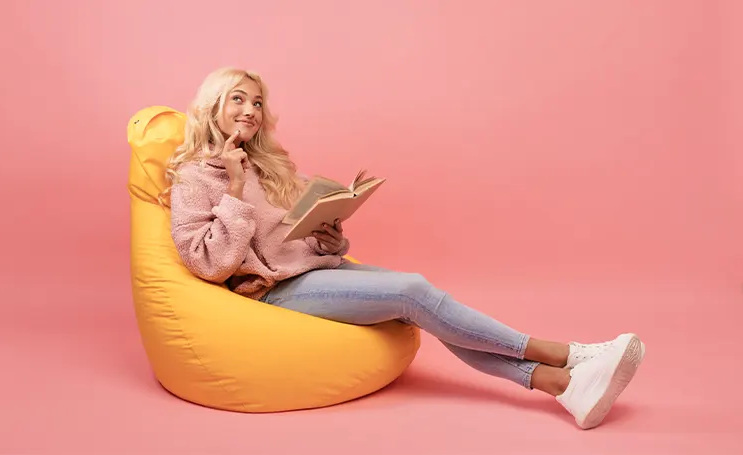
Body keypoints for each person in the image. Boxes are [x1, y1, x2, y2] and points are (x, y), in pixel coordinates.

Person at [162, 67, 646, 430]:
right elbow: (210, 264)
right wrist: (234, 187)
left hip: (313, 271)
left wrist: (330, 237)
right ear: (212, 108)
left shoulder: (273, 167)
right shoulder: (193, 177)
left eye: (258, 102)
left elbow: (292, 237)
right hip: (273, 291)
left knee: (424, 305)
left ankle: (562, 387)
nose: (250, 110)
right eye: (238, 99)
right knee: (412, 289)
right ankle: (568, 355)